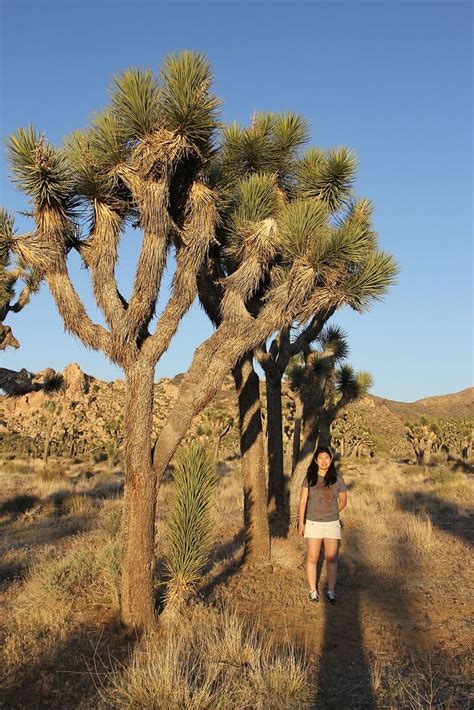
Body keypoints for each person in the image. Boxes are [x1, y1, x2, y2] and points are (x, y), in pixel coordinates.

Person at [297, 446, 348, 603]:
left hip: (332, 523)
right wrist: (301, 522)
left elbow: (343, 501)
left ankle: (331, 591)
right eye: (321, 458)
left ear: (331, 460)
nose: (324, 461)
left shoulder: (337, 479)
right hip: (313, 522)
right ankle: (313, 590)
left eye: (327, 458)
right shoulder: (309, 478)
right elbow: (303, 501)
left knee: (331, 557)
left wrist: (332, 512)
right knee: (313, 557)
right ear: (315, 460)